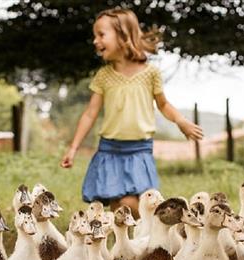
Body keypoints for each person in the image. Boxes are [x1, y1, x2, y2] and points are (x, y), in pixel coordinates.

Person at [60, 7, 203, 216]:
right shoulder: (104, 76)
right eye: (95, 35)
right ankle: (129, 243)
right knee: (122, 206)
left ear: (123, 36)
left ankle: (149, 234)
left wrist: (181, 121)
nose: (95, 41)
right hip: (111, 150)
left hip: (139, 151)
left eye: (101, 35)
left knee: (142, 206)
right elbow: (90, 113)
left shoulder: (150, 73)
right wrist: (73, 148)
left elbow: (163, 104)